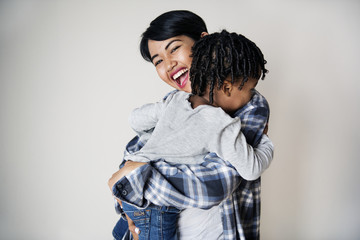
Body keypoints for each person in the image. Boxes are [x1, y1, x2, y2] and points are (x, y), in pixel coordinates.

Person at [109, 10, 273, 240]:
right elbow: (136, 148)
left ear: (203, 43)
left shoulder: (246, 104)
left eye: (174, 48)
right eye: (158, 61)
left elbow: (219, 181)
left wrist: (137, 177)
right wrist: (131, 184)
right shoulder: (175, 101)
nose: (168, 65)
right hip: (155, 220)